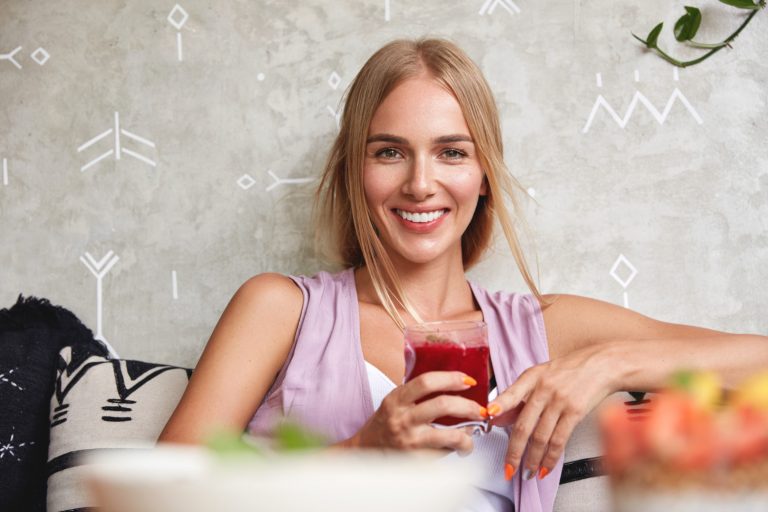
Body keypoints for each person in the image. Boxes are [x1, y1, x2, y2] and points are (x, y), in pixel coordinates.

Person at [158, 38, 768, 511]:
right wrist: (362, 450)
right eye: (389, 151)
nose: (420, 183)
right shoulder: (282, 310)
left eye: (452, 152)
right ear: (354, 172)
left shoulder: (547, 327)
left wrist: (609, 364)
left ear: (483, 176)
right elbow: (157, 495)